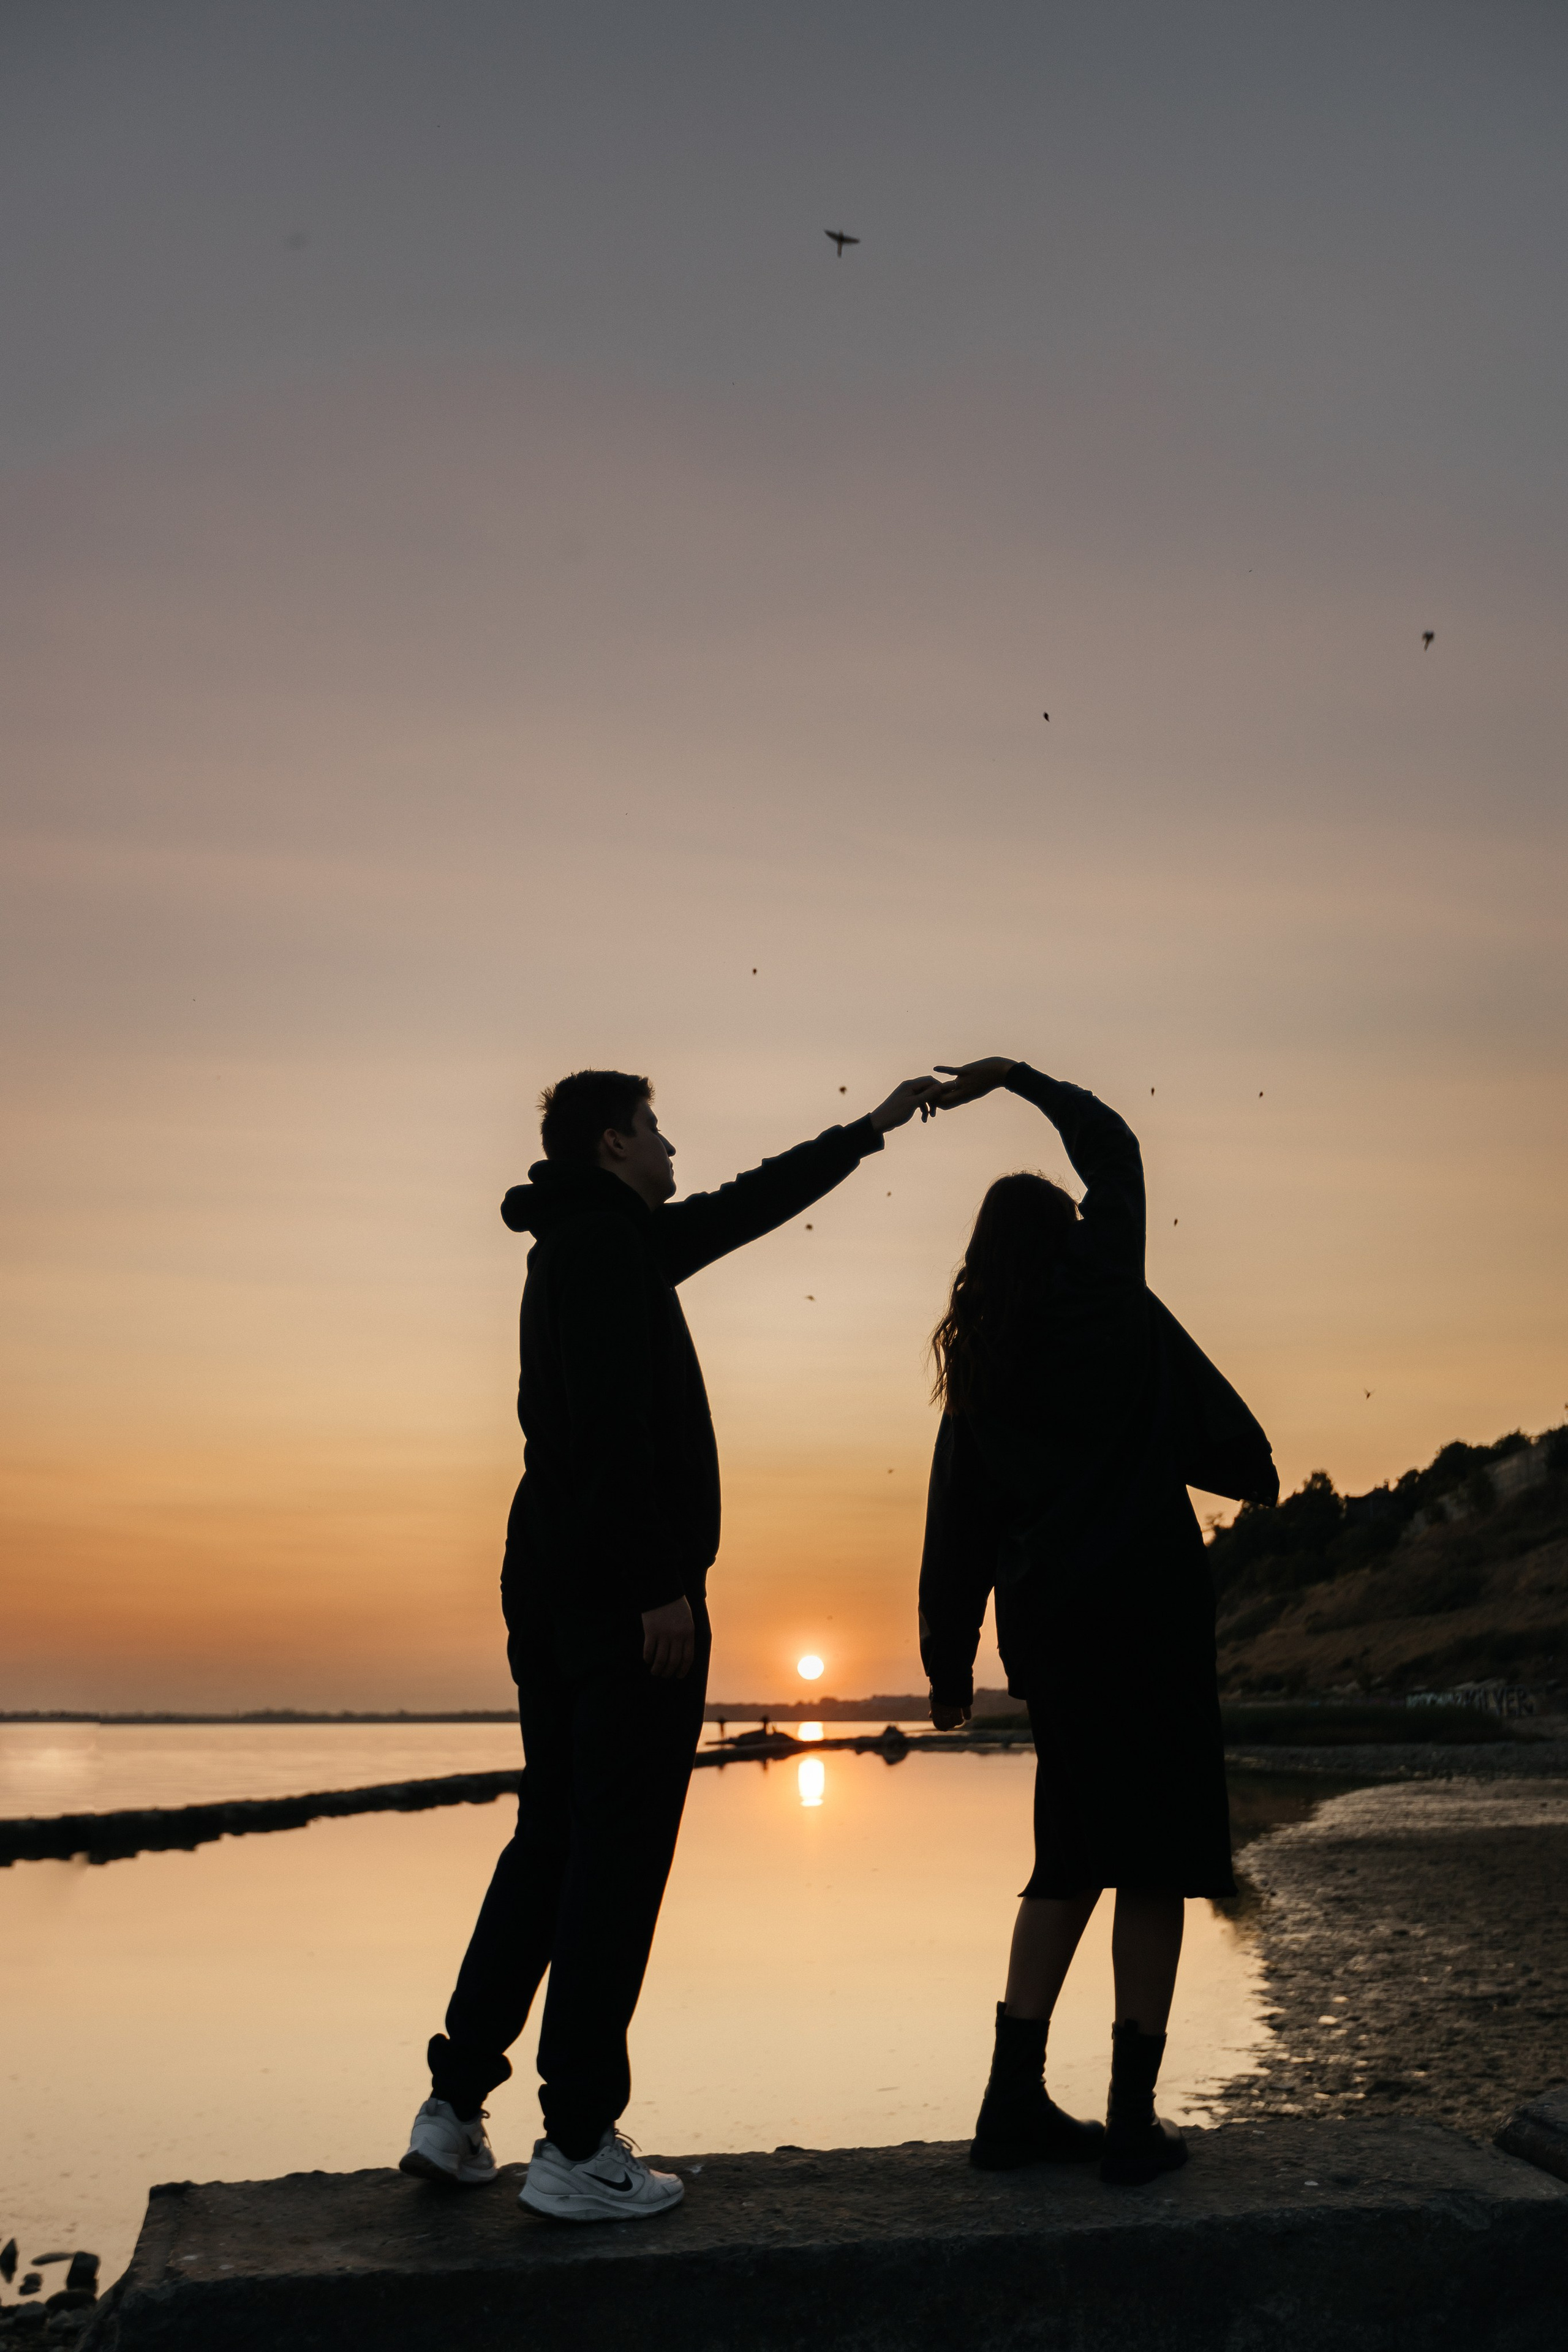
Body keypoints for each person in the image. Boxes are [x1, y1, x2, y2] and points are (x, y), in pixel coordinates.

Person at [401, 1063, 941, 2222]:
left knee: (553, 1837)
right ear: (611, 1144)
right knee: (617, 1854)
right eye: (656, 1130)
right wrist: (659, 1587)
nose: (674, 1148)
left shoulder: (599, 1242)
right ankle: (580, 2140)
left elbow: (748, 1202)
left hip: (550, 1583)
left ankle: (453, 2112)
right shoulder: (604, 1255)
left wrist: (871, 1128)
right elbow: (602, 1430)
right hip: (615, 1593)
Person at [918, 1055, 1278, 2185]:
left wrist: (946, 1665)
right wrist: (1015, 1077)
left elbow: (958, 1525)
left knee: (1067, 1858)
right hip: (1153, 1613)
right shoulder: (1110, 1296)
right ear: (1069, 1232)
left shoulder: (985, 1362)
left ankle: (1008, 2107)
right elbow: (1115, 1145)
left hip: (1059, 1634)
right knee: (1158, 1863)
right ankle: (1130, 2121)